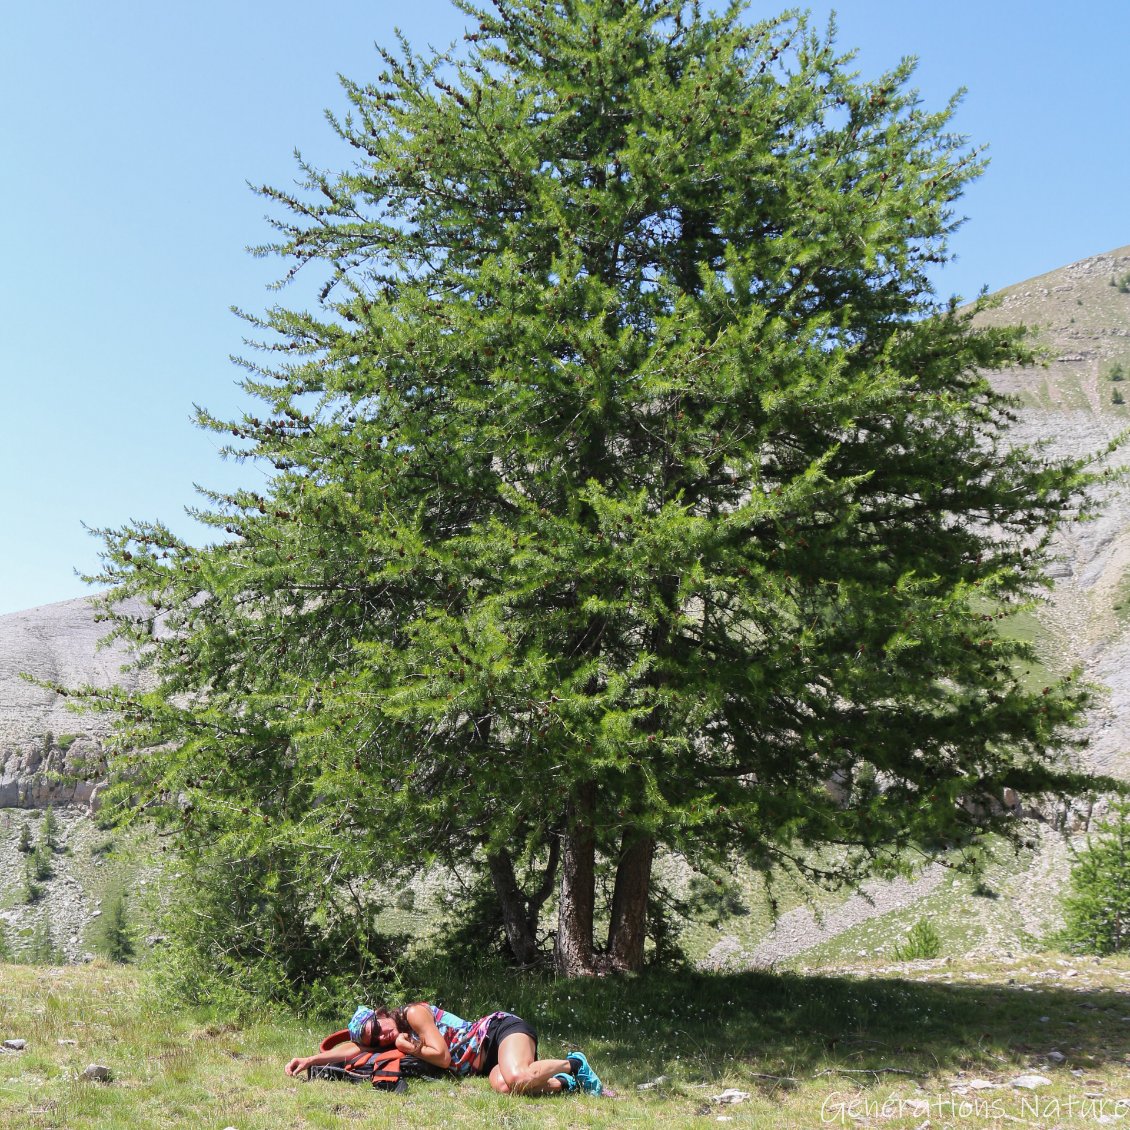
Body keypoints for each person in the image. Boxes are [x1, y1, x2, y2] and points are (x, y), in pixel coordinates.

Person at [285, 1001, 605, 1096]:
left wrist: (408, 1048)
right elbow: (352, 1052)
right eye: (375, 1039)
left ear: (382, 1015)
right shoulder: (395, 1038)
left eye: (377, 1027)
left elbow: (442, 1056)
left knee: (519, 1077)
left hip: (497, 1031)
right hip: (484, 1063)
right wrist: (311, 1058)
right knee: (507, 1087)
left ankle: (574, 1064)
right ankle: (566, 1083)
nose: (382, 1036)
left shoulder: (412, 1014)